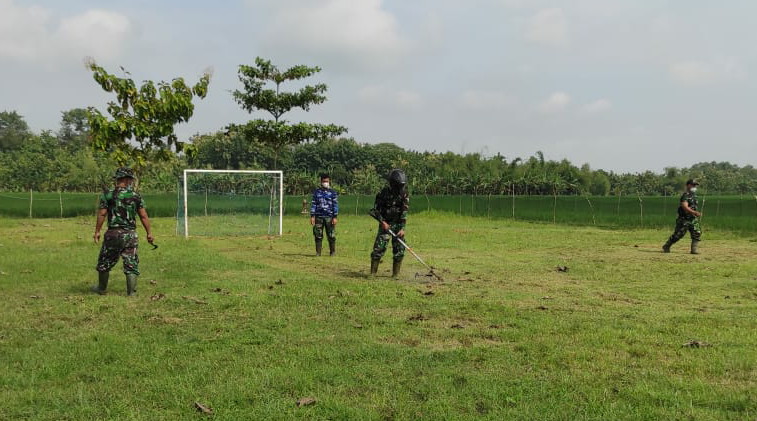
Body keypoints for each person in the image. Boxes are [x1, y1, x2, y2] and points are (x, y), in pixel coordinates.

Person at [92, 167, 154, 296]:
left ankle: (102, 288)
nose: (131, 182)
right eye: (130, 180)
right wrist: (149, 233)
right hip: (130, 235)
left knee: (105, 261)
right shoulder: (136, 196)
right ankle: (131, 293)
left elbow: (102, 214)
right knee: (131, 262)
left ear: (119, 179)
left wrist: (97, 231)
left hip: (113, 234)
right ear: (127, 180)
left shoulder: (108, 195)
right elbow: (143, 216)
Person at [370, 169, 410, 277]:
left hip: (398, 224)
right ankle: (373, 273)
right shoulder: (383, 194)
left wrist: (402, 228)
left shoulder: (404, 194)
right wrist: (382, 221)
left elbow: (404, 212)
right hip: (385, 224)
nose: (400, 188)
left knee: (399, 250)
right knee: (379, 248)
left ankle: (395, 275)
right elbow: (375, 210)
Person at [663, 179, 702, 254]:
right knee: (678, 235)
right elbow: (685, 206)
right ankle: (667, 245)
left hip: (693, 219)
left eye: (695, 185)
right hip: (684, 219)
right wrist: (694, 212)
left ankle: (694, 250)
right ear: (688, 185)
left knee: (697, 232)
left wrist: (695, 213)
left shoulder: (694, 195)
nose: (695, 187)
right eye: (693, 185)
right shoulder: (685, 195)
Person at [309, 173, 338, 256]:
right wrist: (312, 216)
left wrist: (335, 217)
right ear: (321, 182)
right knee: (318, 235)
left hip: (329, 217)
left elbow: (335, 205)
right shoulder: (316, 192)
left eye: (327, 181)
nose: (326, 182)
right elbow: (314, 205)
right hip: (319, 217)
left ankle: (332, 252)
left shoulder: (333, 193)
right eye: (324, 181)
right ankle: (318, 252)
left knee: (331, 235)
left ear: (329, 181)